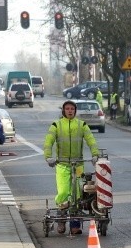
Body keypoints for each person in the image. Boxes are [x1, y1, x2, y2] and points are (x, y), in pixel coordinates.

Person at [43, 100, 100, 235]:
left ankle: (75, 226)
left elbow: (91, 140)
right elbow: (48, 142)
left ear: (75, 111)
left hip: (78, 165)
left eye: (72, 109)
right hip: (62, 165)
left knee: (77, 195)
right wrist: (48, 157)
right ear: (63, 111)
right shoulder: (56, 125)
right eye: (67, 109)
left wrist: (95, 155)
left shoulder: (82, 125)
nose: (70, 111)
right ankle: (61, 221)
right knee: (63, 193)